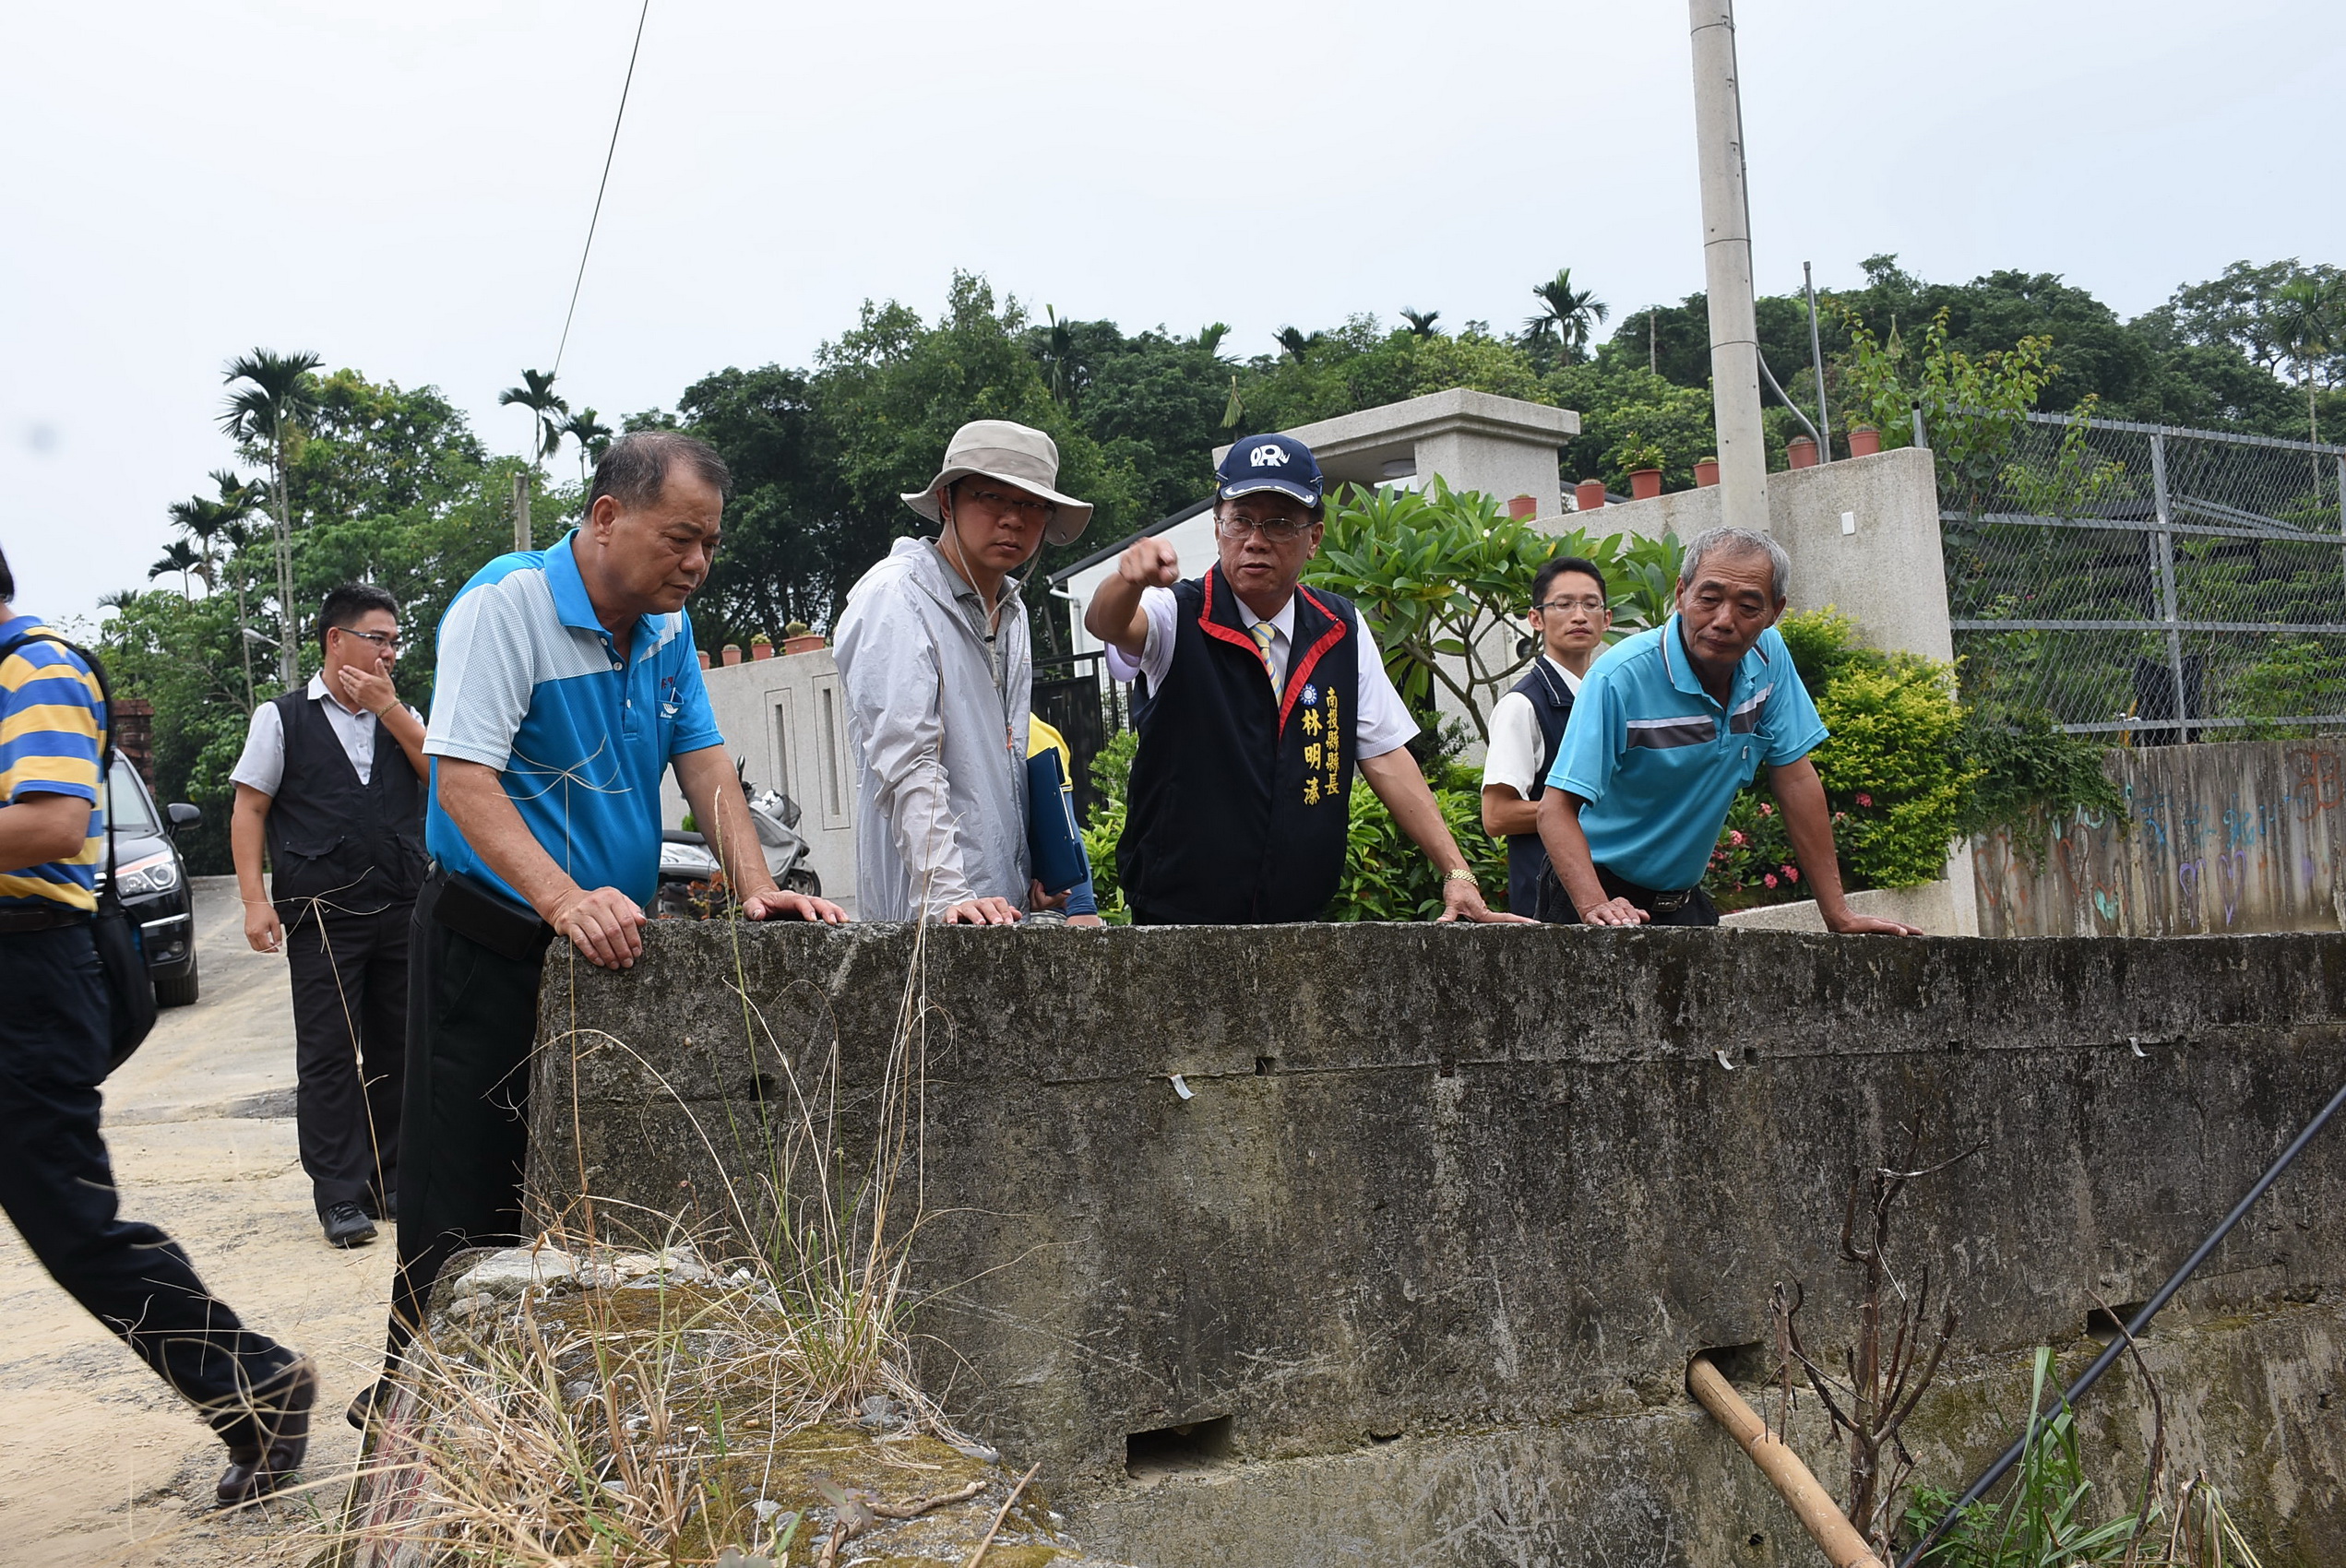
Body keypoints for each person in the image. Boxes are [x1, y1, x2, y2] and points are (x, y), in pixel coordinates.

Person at [368, 432, 846, 1421]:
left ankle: (541, 1415)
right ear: (604, 517)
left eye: (708, 544)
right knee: (462, 1195)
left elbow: (705, 760)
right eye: (680, 539)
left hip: (598, 953)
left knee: (582, 1192)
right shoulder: (508, 608)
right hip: (490, 940)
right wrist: (561, 897)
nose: (696, 564)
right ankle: (413, 1415)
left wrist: (754, 884)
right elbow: (461, 779)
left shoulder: (667, 626)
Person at [0, 543, 316, 1504]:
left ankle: (252, 1379)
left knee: (69, 1218)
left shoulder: (33, 665)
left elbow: (52, 822)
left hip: (25, 973)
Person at [1085, 434, 1526, 926]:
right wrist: (1127, 580)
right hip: (1178, 916)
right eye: (1241, 521)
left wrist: (1457, 872)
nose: (1255, 539)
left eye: (1278, 523)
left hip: (1301, 918)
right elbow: (1108, 623)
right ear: (1217, 529)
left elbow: (1384, 753)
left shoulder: (1341, 626)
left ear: (1313, 538)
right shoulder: (1175, 612)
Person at [1536, 525, 1923, 933]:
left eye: (1748, 607)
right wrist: (1595, 904)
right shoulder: (1619, 677)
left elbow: (1794, 778)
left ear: (1776, 612)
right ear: (1681, 594)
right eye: (1709, 598)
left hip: (1683, 900)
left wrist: (1839, 915)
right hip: (1595, 890)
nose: (1724, 620)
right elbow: (1555, 809)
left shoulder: (1768, 657)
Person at [230, 583, 428, 1249]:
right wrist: (255, 901)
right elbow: (250, 808)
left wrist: (390, 709)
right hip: (321, 916)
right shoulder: (280, 718)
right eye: (378, 638)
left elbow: (441, 772)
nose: (388, 653)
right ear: (335, 640)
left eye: (394, 641)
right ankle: (339, 1196)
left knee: (400, 1049)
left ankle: (391, 1178)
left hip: (401, 907)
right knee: (328, 1058)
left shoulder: (402, 715)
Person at [833, 420, 1093, 924]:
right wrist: (947, 896)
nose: (1013, 520)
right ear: (948, 500)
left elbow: (1000, 769)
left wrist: (1024, 880)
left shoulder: (1012, 613)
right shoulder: (895, 598)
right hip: (927, 923)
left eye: (1033, 504)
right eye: (992, 497)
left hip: (1001, 915)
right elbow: (908, 760)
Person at [1480, 555, 1613, 921]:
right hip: (1549, 903)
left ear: (1608, 618)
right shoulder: (1522, 705)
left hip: (1609, 895)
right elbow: (1496, 815)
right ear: (1536, 619)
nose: (1579, 616)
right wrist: (1585, 810)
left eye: (1591, 604)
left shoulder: (1608, 697)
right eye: (1564, 604)